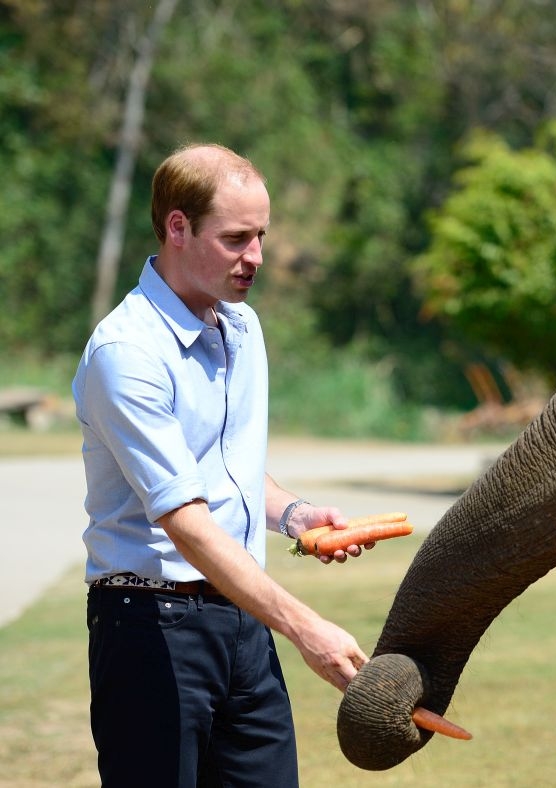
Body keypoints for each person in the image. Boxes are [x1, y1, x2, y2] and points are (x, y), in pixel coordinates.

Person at [73, 143, 370, 787]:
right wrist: (303, 626)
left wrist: (295, 515)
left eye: (261, 235)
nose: (256, 257)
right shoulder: (127, 353)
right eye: (236, 238)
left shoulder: (243, 329)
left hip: (241, 625)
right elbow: (185, 518)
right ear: (177, 227)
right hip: (152, 628)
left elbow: (226, 468)